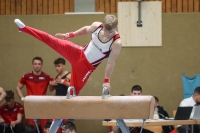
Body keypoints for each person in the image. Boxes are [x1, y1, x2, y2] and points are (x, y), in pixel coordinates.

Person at [14, 14, 122, 95]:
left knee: (73, 93)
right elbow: (86, 29)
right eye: (106, 30)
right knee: (52, 40)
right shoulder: (97, 26)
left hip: (85, 68)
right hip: (78, 52)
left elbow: (111, 62)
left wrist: (106, 80)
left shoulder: (116, 43)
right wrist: (70, 34)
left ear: (116, 27)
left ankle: (62, 119)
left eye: (111, 31)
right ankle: (24, 28)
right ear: (103, 25)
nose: (108, 33)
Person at [16, 56, 53, 133]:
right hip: (31, 105)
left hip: (43, 105)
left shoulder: (47, 77)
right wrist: (23, 98)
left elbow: (52, 89)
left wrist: (54, 84)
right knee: (30, 129)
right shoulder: (26, 77)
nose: (37, 65)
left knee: (46, 128)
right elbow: (17, 87)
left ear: (42, 65)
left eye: (39, 64)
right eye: (35, 64)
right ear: (32, 65)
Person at [49, 58, 72, 133]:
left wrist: (63, 81)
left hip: (67, 103)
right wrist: (51, 84)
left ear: (64, 66)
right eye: (55, 66)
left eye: (59, 66)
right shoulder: (57, 76)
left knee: (65, 126)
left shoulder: (69, 75)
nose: (57, 68)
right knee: (57, 126)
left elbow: (73, 87)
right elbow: (52, 90)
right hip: (58, 104)